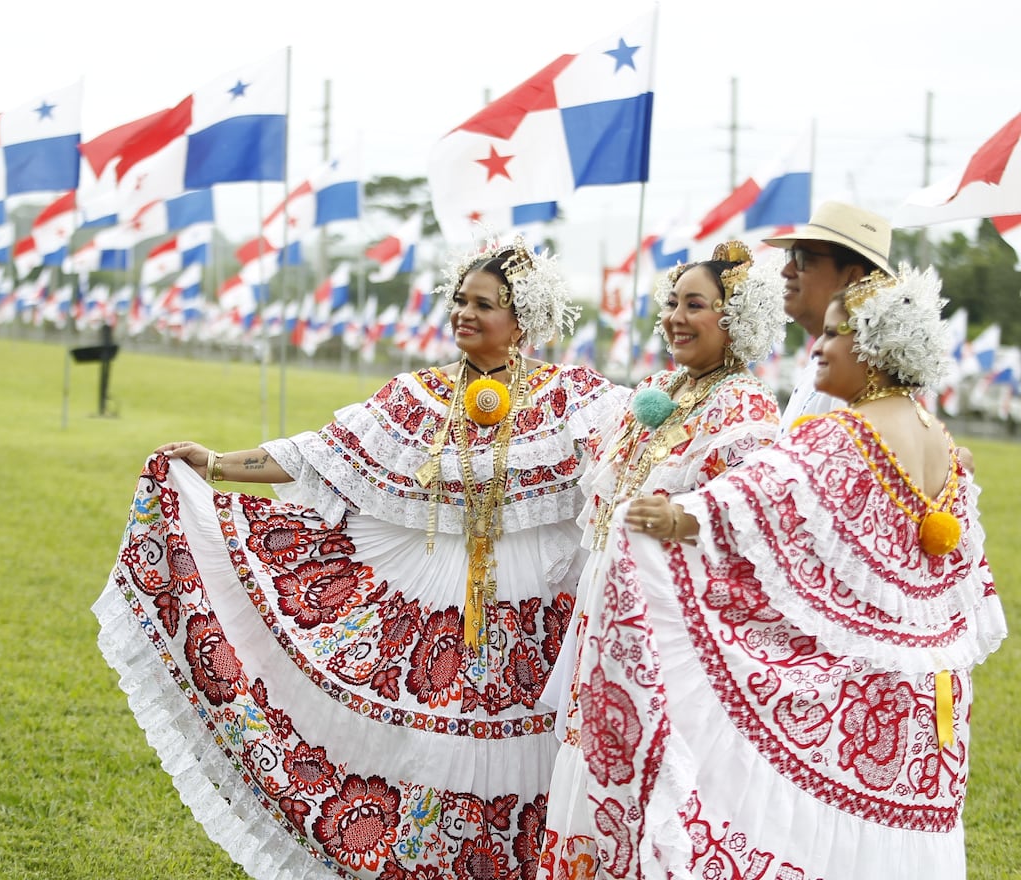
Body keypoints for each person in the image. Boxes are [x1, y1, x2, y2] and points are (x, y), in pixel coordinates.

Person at [94, 234, 624, 880]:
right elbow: (321, 455)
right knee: (436, 766)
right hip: (440, 625)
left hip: (534, 627)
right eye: (459, 299)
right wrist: (216, 463)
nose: (463, 313)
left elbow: (639, 460)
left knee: (530, 776)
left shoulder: (576, 400)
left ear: (523, 322)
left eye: (482, 304)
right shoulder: (416, 399)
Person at [545, 266, 1007, 879]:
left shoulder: (847, 432)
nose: (819, 346)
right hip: (924, 695)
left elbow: (757, 500)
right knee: (885, 841)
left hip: (856, 692)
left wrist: (673, 518)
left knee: (810, 827)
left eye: (838, 335)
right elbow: (956, 564)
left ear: (875, 349)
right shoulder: (938, 436)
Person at [540, 239, 786, 860]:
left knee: (659, 760)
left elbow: (752, 522)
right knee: (597, 749)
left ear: (738, 320)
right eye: (672, 302)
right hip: (610, 597)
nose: (675, 317)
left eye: (694, 304)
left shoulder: (746, 406)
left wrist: (681, 522)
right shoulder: (657, 386)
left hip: (675, 619)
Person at [762, 200, 893, 432]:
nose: (787, 270)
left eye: (803, 258)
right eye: (789, 256)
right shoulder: (824, 362)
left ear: (853, 278)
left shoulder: (857, 373)